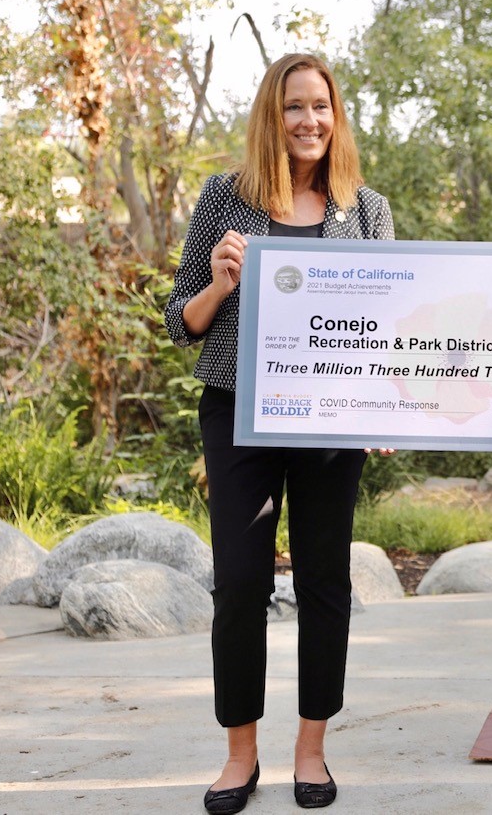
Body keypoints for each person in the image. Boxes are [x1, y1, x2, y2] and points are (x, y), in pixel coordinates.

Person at [164, 53, 395, 814]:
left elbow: (390, 327)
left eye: (321, 107)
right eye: (294, 106)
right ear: (273, 114)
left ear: (336, 116)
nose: (309, 121)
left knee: (326, 580)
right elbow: (179, 324)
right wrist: (219, 283)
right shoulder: (223, 200)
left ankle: (311, 748)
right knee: (240, 581)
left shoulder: (366, 211)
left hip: (332, 420)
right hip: (240, 412)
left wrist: (393, 405)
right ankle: (240, 755)